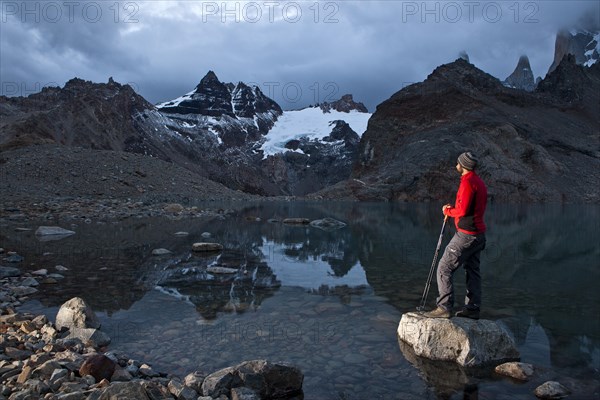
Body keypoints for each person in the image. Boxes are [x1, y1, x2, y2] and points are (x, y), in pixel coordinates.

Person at [424, 151, 487, 319]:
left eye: (458, 163)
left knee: (444, 267)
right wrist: (455, 209)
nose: (456, 165)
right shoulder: (478, 182)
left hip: (466, 235)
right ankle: (473, 309)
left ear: (463, 165)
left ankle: (444, 307)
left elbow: (463, 210)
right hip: (479, 235)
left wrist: (448, 211)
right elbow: (469, 207)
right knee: (472, 271)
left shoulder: (467, 182)